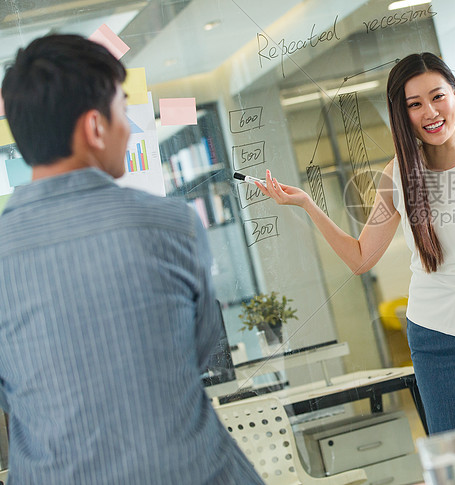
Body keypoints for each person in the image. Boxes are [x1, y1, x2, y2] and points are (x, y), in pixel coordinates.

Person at [257, 52, 455, 442]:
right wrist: (307, 204)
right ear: (403, 114)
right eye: (414, 104)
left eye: (437, 97)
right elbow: (361, 258)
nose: (429, 112)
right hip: (434, 340)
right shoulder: (397, 175)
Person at [0, 35, 264, 484]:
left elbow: (12, 395)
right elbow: (196, 351)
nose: (130, 128)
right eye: (123, 111)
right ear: (94, 128)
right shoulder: (172, 224)